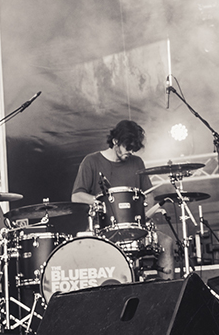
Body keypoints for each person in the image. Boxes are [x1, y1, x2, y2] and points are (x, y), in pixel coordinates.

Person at [71, 120, 175, 280]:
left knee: (166, 242)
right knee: (82, 251)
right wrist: (101, 202)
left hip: (135, 228)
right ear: (115, 141)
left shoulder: (137, 162)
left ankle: (167, 292)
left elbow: (148, 195)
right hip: (103, 229)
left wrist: (147, 212)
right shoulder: (91, 161)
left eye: (134, 149)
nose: (131, 152)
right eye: (128, 147)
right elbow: (76, 196)